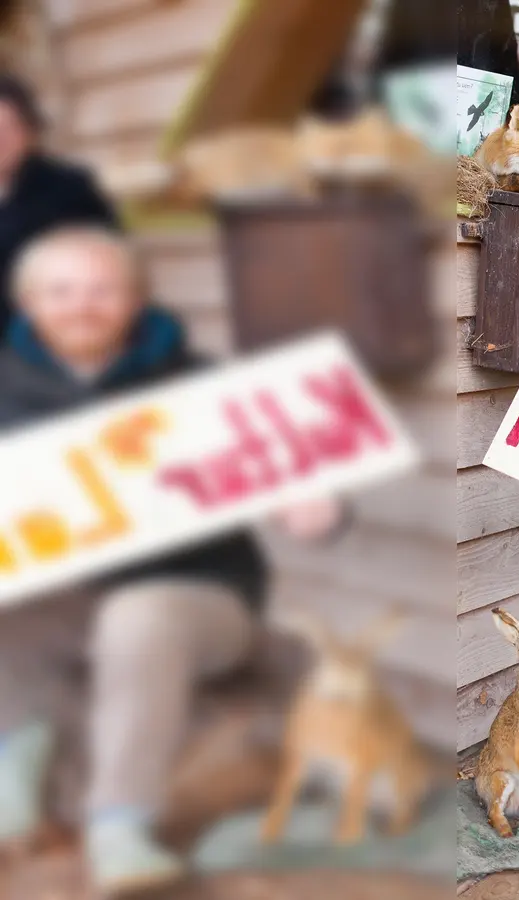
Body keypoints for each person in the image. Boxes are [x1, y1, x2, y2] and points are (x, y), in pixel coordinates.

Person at [0, 227, 349, 895]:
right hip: (62, 599)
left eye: (102, 290)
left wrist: (315, 507)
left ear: (134, 299)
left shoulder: (197, 380)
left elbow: (308, 496)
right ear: (28, 303)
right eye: (61, 291)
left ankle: (117, 824)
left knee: (139, 616)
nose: (82, 306)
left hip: (198, 594)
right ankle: (15, 762)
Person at [0, 74, 119, 336]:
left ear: (30, 133)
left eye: (11, 128)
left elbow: (110, 262)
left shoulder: (69, 190)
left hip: (58, 334)